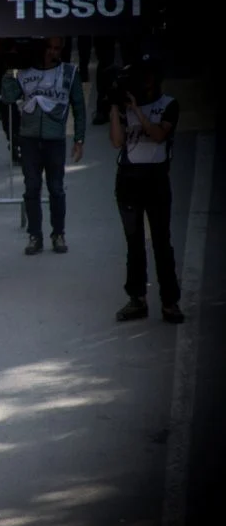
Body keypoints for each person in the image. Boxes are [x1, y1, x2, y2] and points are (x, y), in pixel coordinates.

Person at [108, 55, 185, 324]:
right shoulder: (124, 106)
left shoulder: (168, 105)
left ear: (155, 78)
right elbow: (117, 142)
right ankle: (137, 298)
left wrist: (138, 111)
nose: (143, 81)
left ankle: (170, 301)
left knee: (162, 241)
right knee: (134, 243)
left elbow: (158, 135)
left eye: (147, 75)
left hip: (156, 179)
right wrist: (115, 108)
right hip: (128, 178)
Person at [0, 37, 86, 255]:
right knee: (31, 188)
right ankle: (34, 236)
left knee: (56, 188)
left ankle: (58, 234)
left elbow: (79, 106)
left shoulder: (69, 72)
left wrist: (79, 139)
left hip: (55, 139)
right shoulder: (25, 73)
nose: (52, 52)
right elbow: (8, 97)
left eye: (57, 48)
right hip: (28, 138)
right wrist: (8, 70)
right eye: (49, 48)